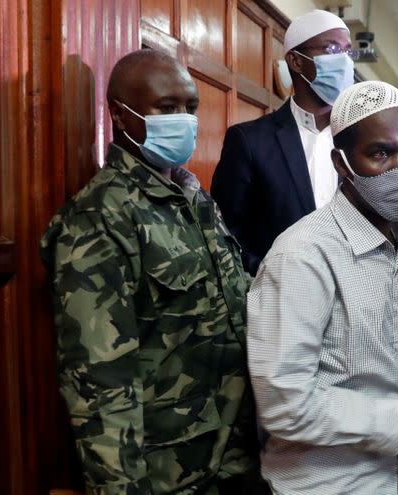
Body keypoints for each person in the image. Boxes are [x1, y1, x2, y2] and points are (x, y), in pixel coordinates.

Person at [40, 49, 262, 494]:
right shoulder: (99, 218)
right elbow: (100, 386)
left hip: (235, 459)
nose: (184, 119)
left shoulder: (195, 201)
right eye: (167, 108)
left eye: (191, 107)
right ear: (121, 116)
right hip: (167, 473)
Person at [246, 81, 398, 495]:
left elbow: (362, 328)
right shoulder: (302, 256)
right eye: (380, 153)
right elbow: (285, 406)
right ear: (341, 162)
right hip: (329, 484)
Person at [211, 9, 356, 274]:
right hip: (277, 300)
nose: (344, 61)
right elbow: (224, 233)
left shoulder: (357, 138)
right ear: (296, 61)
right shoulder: (249, 141)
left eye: (348, 52)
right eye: (332, 48)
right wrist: (271, 275)